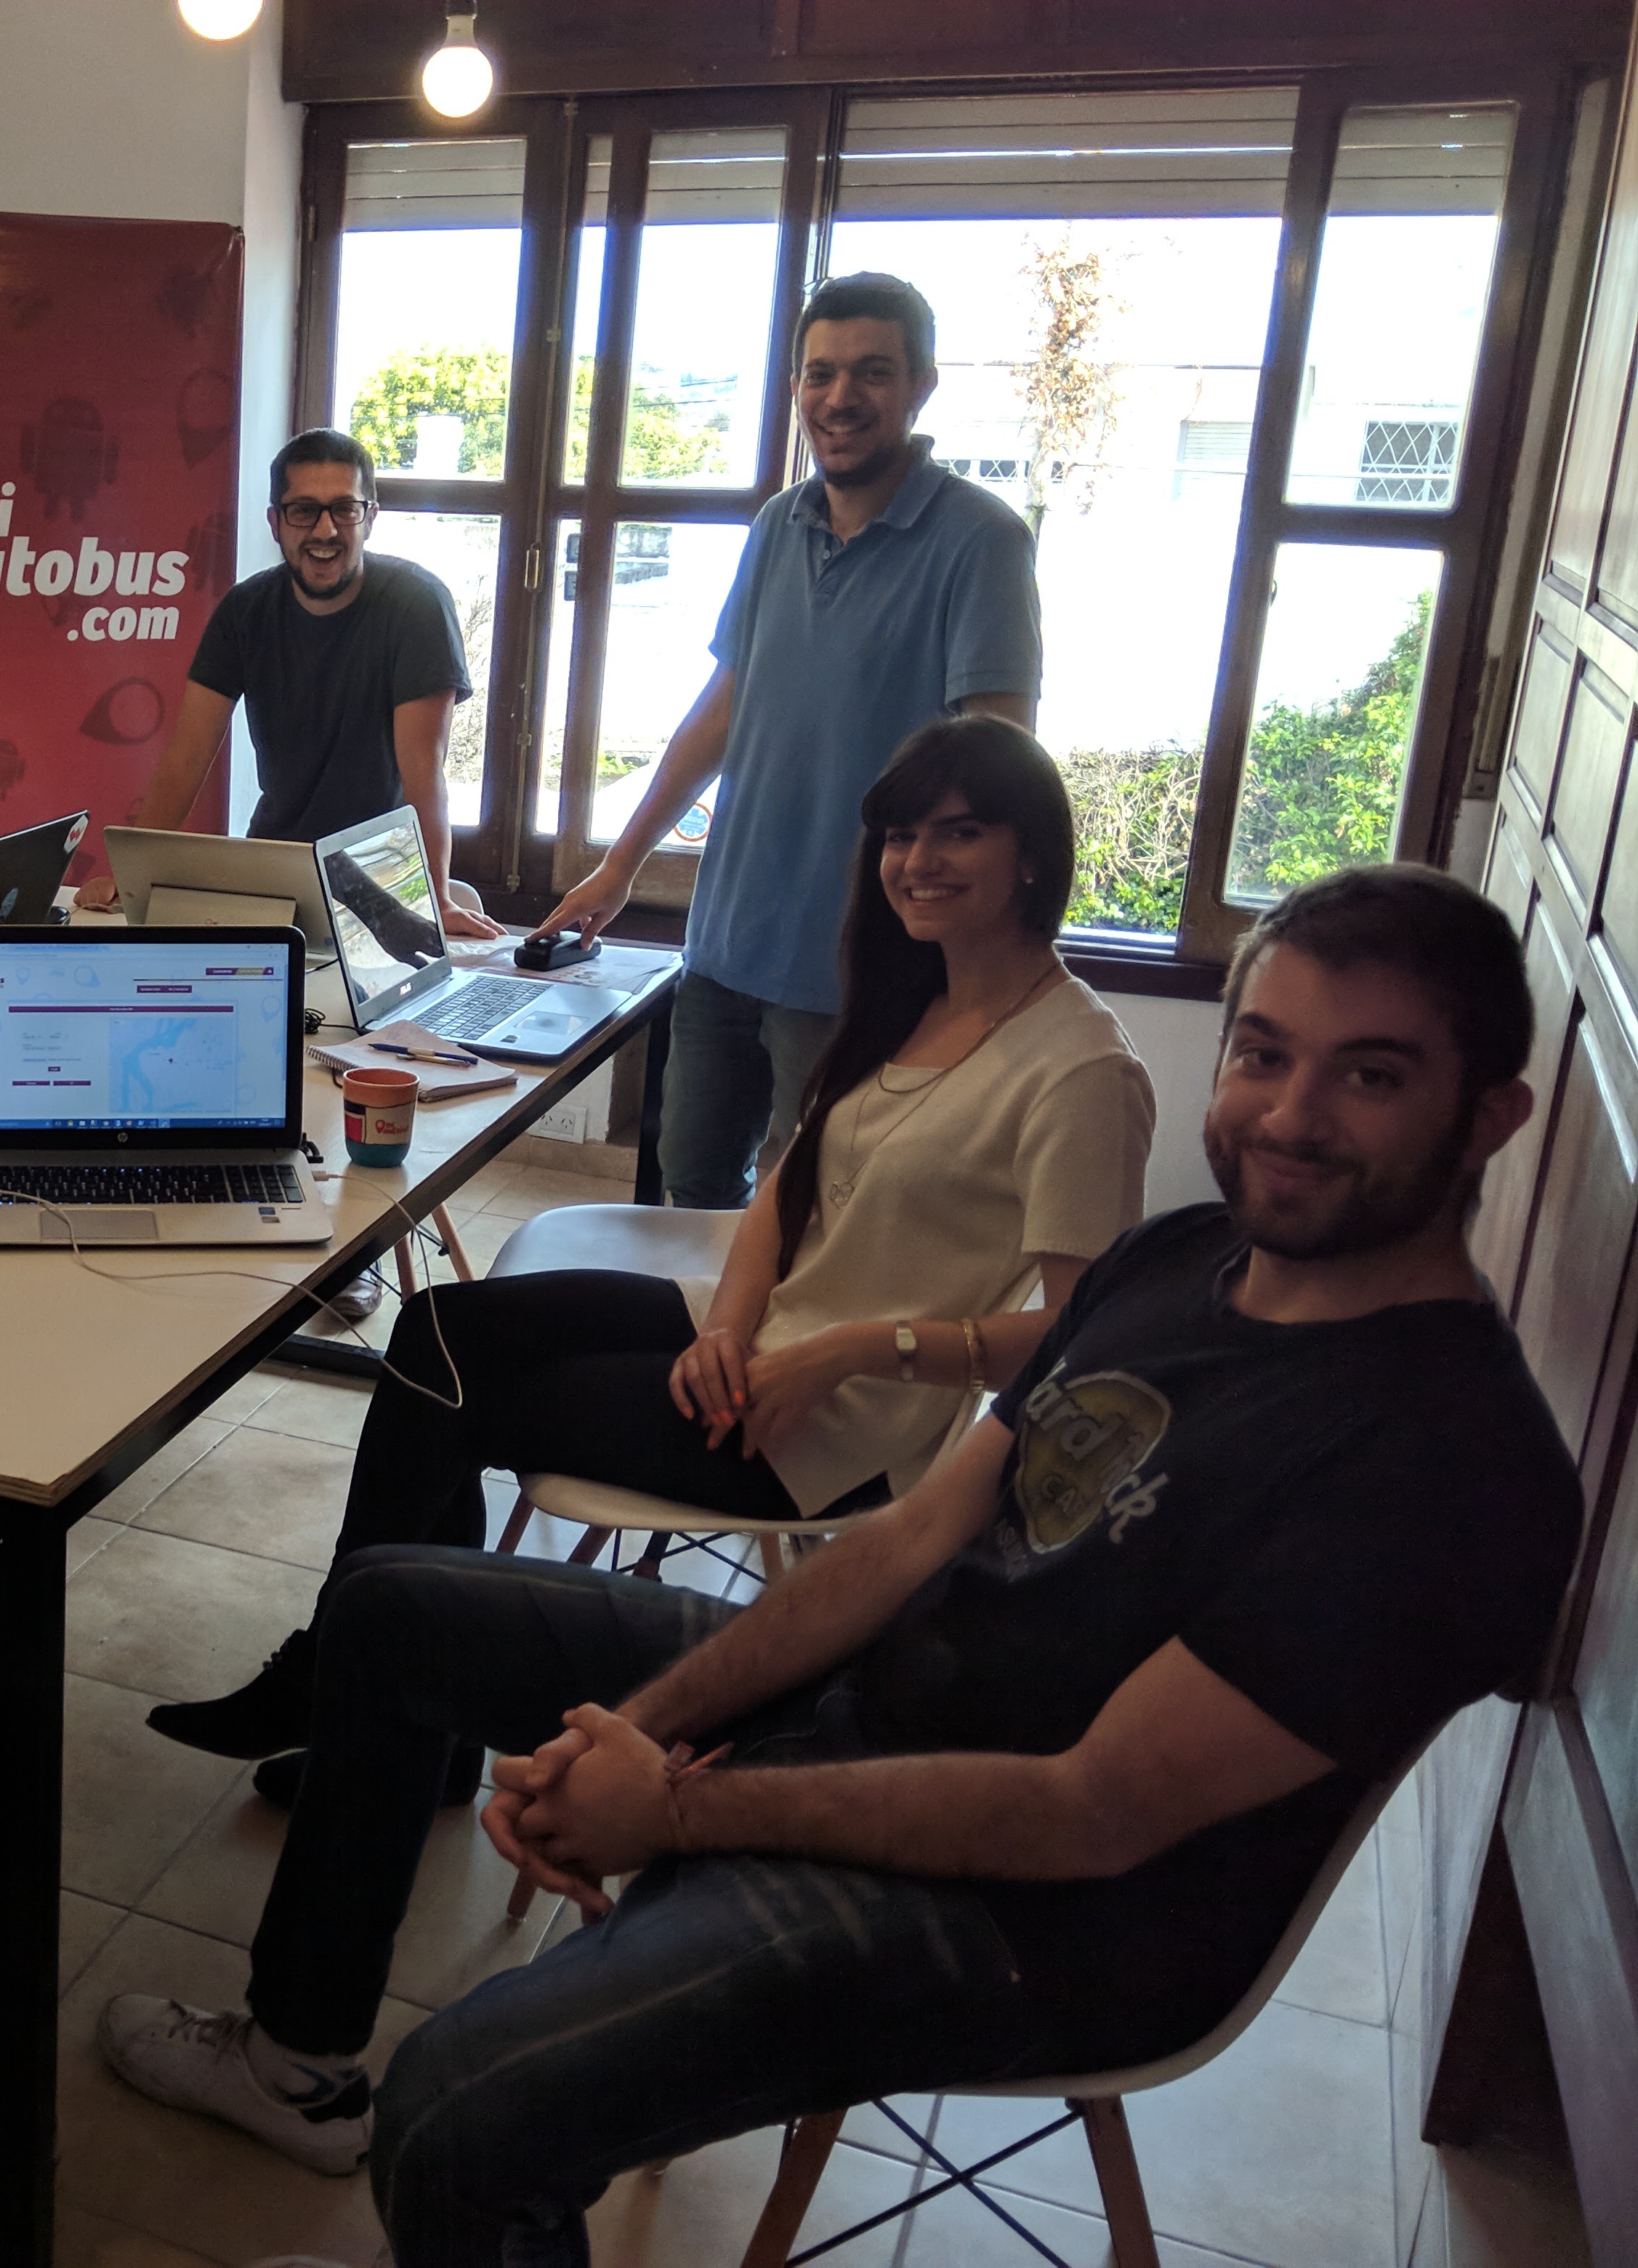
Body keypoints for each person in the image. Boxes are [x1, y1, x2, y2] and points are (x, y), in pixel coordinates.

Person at [99, 863, 1578, 2268]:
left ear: (1490, 1117)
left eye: (1370, 1075)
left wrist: (675, 1805)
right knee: (389, 1613)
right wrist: (647, 1733)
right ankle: (294, 2067)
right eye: (1262, 1053)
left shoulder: (1448, 1470)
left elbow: (1093, 1810)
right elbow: (916, 1534)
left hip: (1030, 1923)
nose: (1291, 1115)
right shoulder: (1182, 1262)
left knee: (457, 2109)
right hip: (876, 1712)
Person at [149, 715, 1154, 1799]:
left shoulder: (1079, 1071)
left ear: (1032, 854)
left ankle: (364, 1703)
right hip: (757, 1339)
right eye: (901, 836)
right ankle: (383, 1708)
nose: (918, 862)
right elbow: (785, 1193)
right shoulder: (918, 998)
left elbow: (1081, 1341)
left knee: (453, 1407)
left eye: (958, 833)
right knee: (438, 1331)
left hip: (829, 1428)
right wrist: (726, 1323)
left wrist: (856, 1349)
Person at [539, 274, 1045, 1210]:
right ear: (795, 388)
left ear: (921, 386)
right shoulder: (778, 523)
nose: (839, 398)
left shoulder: (981, 541)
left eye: (871, 372)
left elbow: (1000, 764)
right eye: (819, 374)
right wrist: (618, 866)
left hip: (858, 967)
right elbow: (722, 710)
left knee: (810, 1213)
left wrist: (978, 965)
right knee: (688, 1190)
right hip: (725, 946)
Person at [80, 428, 494, 941]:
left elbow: (423, 773)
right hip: (275, 871)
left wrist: (435, 898)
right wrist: (128, 877)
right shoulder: (244, 610)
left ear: (370, 518)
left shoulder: (416, 606)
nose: (325, 530)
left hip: (382, 871)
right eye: (303, 511)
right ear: (275, 522)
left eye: (345, 509)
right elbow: (187, 758)